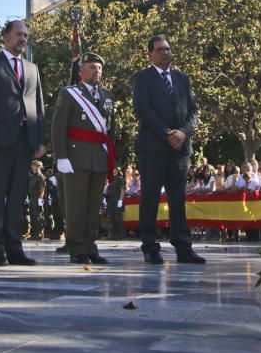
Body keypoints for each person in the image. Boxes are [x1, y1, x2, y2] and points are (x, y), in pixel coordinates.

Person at [0, 19, 47, 266]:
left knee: (17, 198)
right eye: (18, 34)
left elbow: (38, 106)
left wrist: (40, 139)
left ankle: (15, 249)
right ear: (6, 36)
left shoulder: (32, 69)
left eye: (26, 35)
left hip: (25, 141)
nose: (23, 39)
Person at [131, 35, 205, 265]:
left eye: (168, 49)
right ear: (150, 53)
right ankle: (150, 247)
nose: (165, 53)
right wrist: (166, 133)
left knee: (177, 198)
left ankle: (183, 246)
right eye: (160, 50)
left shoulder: (183, 78)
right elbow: (143, 109)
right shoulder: (142, 77)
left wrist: (183, 132)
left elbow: (193, 112)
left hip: (180, 148)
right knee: (150, 198)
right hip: (153, 148)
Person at [52, 52, 117, 264]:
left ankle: (90, 246)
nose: (96, 70)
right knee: (76, 206)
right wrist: (61, 156)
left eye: (99, 67)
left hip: (99, 157)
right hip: (75, 157)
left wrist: (111, 159)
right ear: (81, 71)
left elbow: (110, 131)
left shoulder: (108, 96)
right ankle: (76, 247)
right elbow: (58, 127)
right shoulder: (70, 93)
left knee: (93, 206)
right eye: (91, 67)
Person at [26, 160, 46, 240]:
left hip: (37, 198)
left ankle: (38, 234)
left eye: (33, 165)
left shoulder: (40, 176)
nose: (32, 167)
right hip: (32, 198)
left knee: (37, 216)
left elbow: (42, 188)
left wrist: (40, 199)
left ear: (38, 166)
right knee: (32, 215)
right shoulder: (33, 176)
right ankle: (33, 233)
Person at [105, 167, 126, 240]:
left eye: (116, 170)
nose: (114, 171)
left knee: (118, 218)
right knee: (112, 218)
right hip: (111, 202)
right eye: (113, 170)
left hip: (117, 201)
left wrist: (120, 200)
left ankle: (119, 235)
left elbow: (122, 189)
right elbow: (107, 192)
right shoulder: (112, 181)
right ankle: (114, 234)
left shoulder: (120, 180)